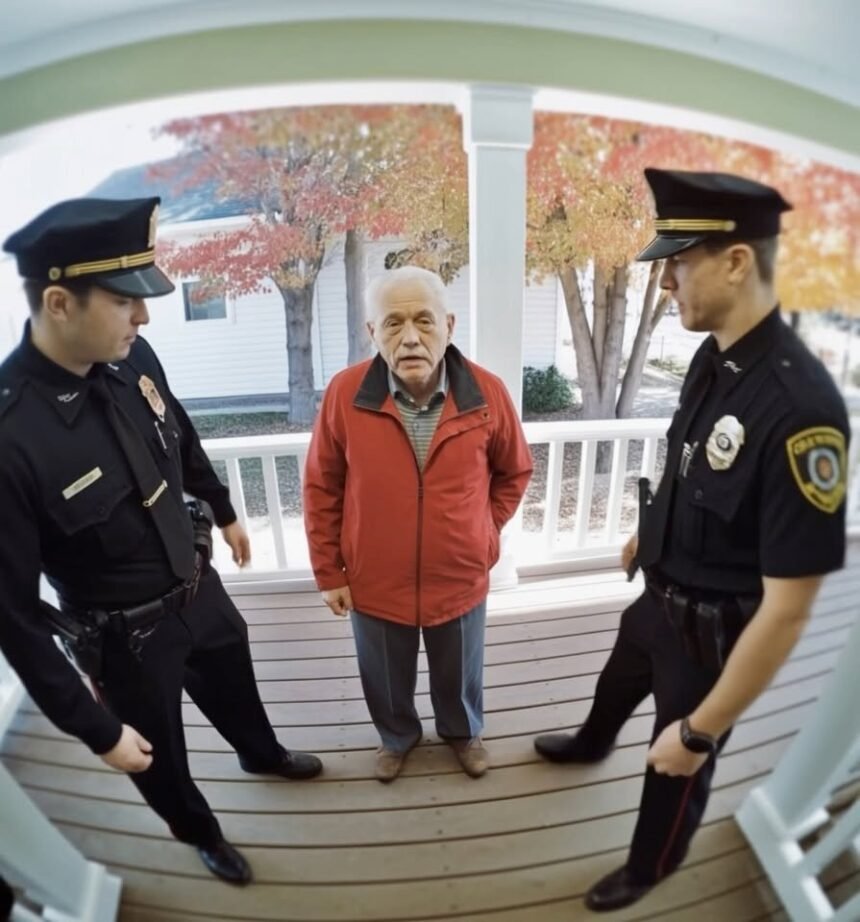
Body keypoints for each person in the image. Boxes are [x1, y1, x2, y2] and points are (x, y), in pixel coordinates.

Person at [534, 169, 850, 911]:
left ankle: (649, 867)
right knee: (616, 678)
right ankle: (592, 743)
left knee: (673, 767)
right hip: (660, 591)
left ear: (736, 261)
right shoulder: (716, 356)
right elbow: (690, 461)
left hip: (711, 639)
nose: (666, 280)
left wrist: (702, 733)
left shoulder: (801, 411)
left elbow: (789, 612)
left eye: (677, 262)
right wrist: (646, 535)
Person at [0, 197, 323, 886]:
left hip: (198, 585)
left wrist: (224, 508)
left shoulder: (131, 355)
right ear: (59, 303)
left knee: (235, 679)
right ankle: (202, 834)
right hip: (127, 641)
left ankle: (261, 754)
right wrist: (95, 729)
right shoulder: (11, 436)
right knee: (160, 759)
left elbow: (176, 428)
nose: (144, 316)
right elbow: (13, 616)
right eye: (124, 301)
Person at [303, 266, 533, 782]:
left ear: (448, 326)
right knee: (384, 676)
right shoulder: (344, 394)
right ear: (372, 332)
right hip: (374, 576)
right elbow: (321, 487)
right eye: (393, 323)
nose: (410, 337)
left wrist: (483, 530)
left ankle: (463, 732)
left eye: (424, 321)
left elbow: (515, 471)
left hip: (459, 572)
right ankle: (396, 737)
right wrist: (330, 572)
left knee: (461, 671)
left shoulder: (488, 393)